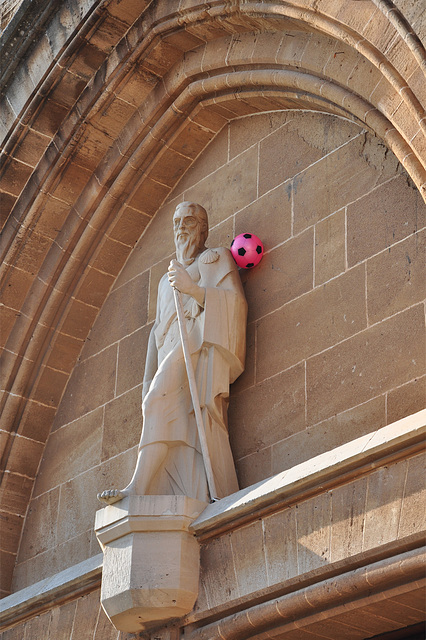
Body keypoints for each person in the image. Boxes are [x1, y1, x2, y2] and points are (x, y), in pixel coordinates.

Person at [98, 202, 247, 504]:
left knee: (158, 401)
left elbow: (235, 305)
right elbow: (156, 332)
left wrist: (193, 289)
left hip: (194, 344)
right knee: (167, 415)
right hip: (169, 350)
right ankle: (183, 491)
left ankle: (137, 488)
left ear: (203, 228)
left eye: (189, 220)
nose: (181, 227)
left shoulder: (213, 259)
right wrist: (145, 379)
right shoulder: (166, 282)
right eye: (176, 221)